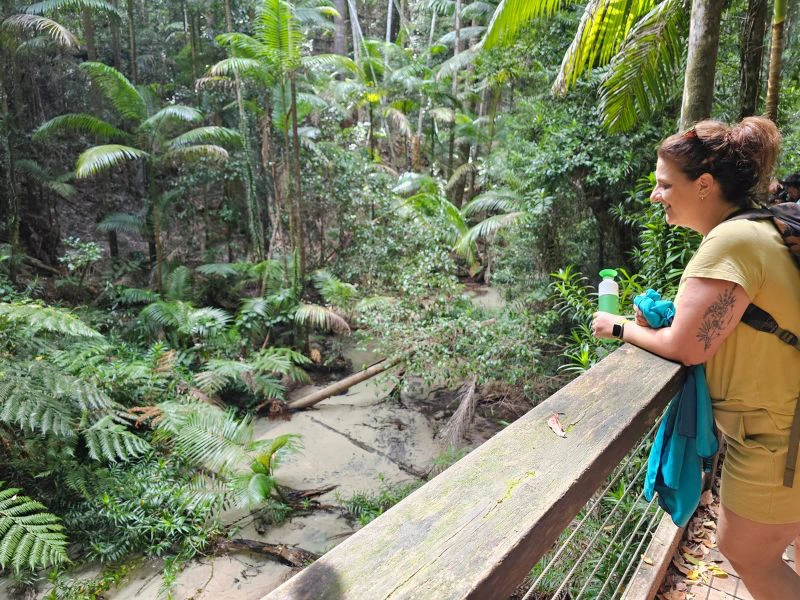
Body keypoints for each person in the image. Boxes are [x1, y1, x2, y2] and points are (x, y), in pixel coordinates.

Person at [591, 116, 800, 599]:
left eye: (665, 183)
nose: (655, 195)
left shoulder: (731, 242)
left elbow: (689, 345)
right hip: (784, 423)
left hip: (777, 436)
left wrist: (617, 325)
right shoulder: (759, 229)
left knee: (748, 554)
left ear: (703, 185)